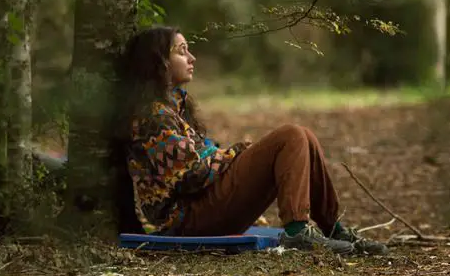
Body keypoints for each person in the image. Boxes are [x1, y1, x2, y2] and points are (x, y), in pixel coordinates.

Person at [114, 25, 388, 256]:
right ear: (158, 63)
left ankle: (334, 229)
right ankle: (296, 232)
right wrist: (234, 154)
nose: (192, 58)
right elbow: (190, 177)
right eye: (181, 51)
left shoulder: (173, 108)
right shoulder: (153, 117)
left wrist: (230, 156)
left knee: (305, 136)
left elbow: (198, 164)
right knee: (290, 136)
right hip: (188, 219)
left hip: (204, 209)